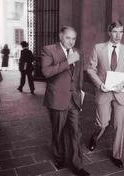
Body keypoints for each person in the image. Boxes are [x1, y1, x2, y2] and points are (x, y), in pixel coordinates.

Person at [87, 20, 124, 168]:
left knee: (119, 125)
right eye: (115, 31)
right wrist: (99, 84)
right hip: (103, 92)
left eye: (121, 32)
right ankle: (94, 137)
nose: (118, 35)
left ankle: (117, 155)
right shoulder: (98, 48)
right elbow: (91, 69)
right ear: (109, 32)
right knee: (102, 123)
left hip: (120, 93)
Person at [41, 26, 90, 176]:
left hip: (73, 99)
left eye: (74, 38)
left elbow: (79, 74)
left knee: (76, 132)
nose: (71, 41)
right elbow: (46, 72)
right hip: (57, 98)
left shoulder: (78, 52)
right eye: (68, 38)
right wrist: (67, 62)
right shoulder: (48, 50)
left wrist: (80, 92)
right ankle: (59, 157)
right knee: (58, 131)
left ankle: (77, 165)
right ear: (60, 36)